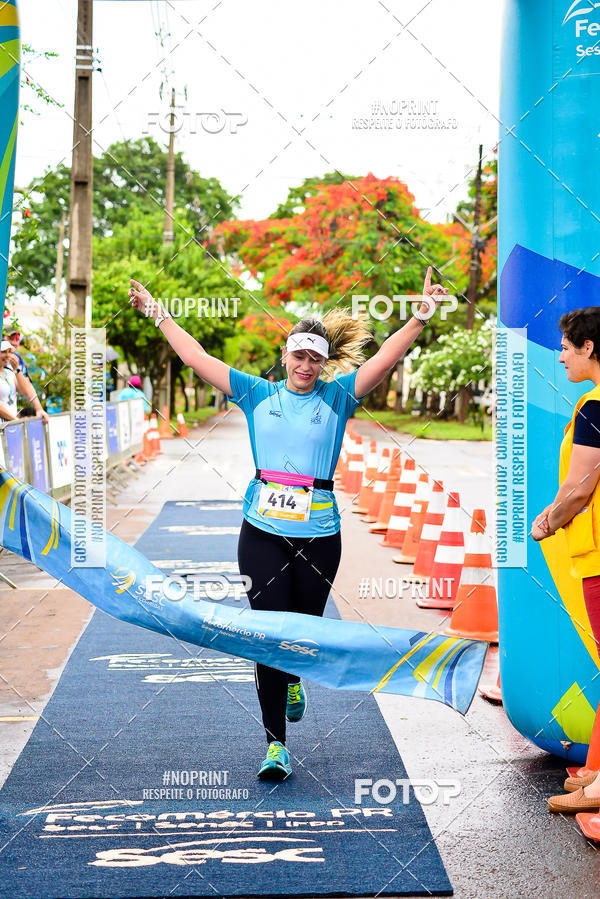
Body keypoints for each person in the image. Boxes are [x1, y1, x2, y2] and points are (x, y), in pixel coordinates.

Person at [129, 268, 449, 780]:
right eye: (298, 355)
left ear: (324, 363)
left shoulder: (338, 397)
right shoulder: (257, 394)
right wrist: (159, 314)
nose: (305, 365)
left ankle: (296, 673)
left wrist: (420, 316)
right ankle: (275, 744)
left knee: (301, 633)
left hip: (320, 535)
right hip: (261, 531)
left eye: (315, 358)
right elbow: (196, 357)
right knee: (267, 636)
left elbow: (386, 359)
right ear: (286, 356)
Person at [531, 308, 600, 813]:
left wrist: (548, 520)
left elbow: (580, 488)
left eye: (565, 347)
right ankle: (595, 769)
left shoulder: (594, 407)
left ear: (589, 348)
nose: (560, 357)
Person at [0, 341, 49, 423]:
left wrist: (17, 370)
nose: (8, 355)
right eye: (4, 352)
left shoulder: (9, 372)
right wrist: (17, 421)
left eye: (10, 352)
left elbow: (24, 391)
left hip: (11, 426)